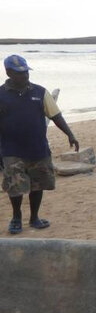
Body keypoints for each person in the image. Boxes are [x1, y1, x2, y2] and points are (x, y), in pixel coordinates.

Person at [1, 55, 79, 235]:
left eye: (26, 72)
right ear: (8, 73)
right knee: (15, 187)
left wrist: (70, 134)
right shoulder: (1, 95)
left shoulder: (40, 92)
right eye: (20, 73)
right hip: (11, 150)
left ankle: (34, 217)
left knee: (38, 185)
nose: (25, 76)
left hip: (38, 149)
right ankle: (16, 217)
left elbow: (55, 115)